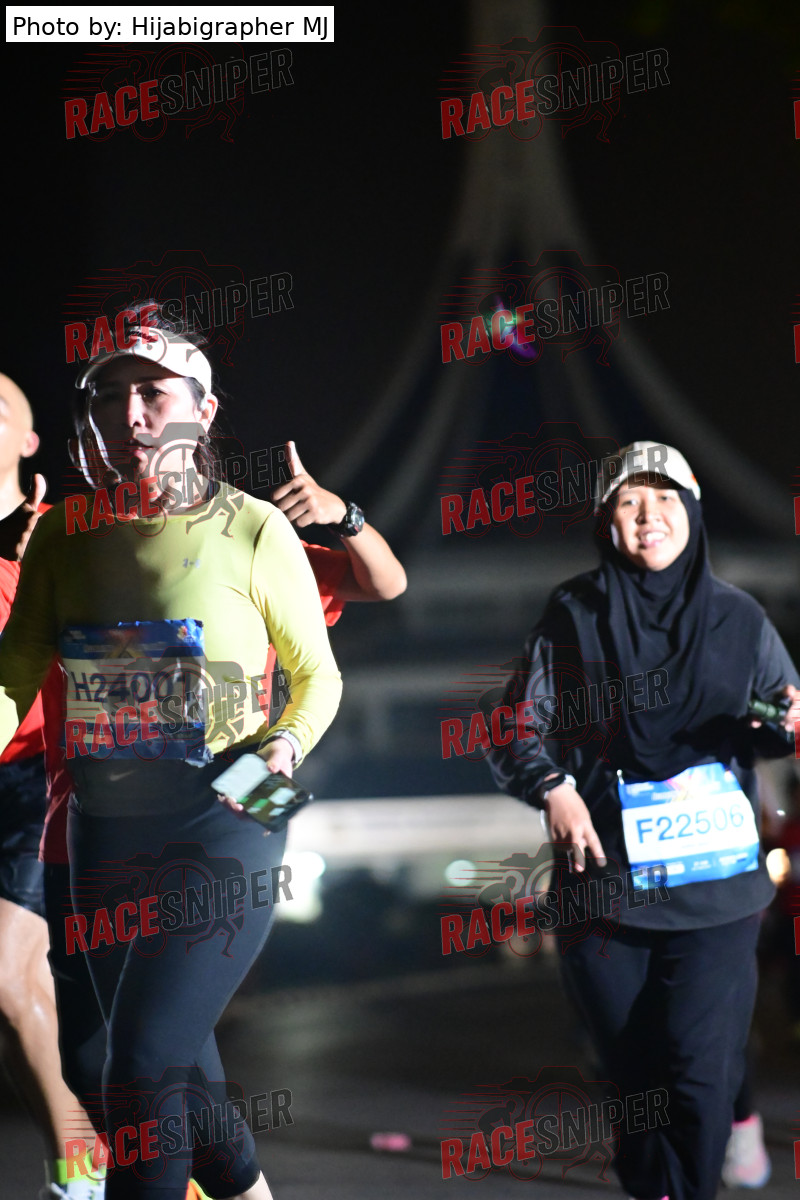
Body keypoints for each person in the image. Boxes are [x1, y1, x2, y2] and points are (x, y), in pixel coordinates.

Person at [0, 320, 343, 1200]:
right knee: (148, 1069)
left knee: (143, 1066)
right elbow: (11, 675)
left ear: (204, 411)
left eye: (153, 392)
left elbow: (318, 677)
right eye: (110, 397)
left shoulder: (254, 528)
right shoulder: (64, 534)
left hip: (230, 810)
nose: (131, 414)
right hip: (102, 827)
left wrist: (283, 743)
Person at [489, 441, 800, 1200]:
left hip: (717, 891)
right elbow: (515, 725)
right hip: (607, 887)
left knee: (700, 1070)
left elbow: (777, 720)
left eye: (664, 499)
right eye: (629, 501)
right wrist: (554, 789)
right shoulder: (574, 614)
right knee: (634, 1076)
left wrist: (788, 722)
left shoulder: (740, 619)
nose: (648, 515)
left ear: (691, 511)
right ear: (607, 521)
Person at [0, 373, 102, 1200]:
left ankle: (86, 1172)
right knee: (19, 998)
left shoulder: (65, 534)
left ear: (30, 444)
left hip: (37, 770)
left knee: (7, 976)